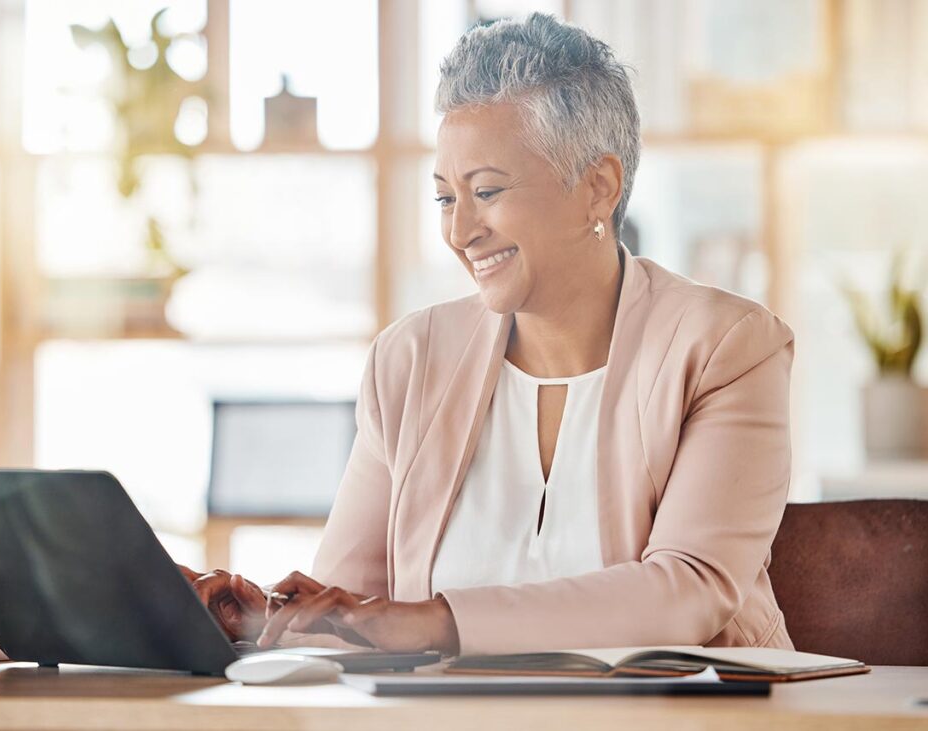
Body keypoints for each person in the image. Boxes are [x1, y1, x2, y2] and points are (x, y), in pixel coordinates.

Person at [184, 13, 795, 656]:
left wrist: (437, 621)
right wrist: (262, 622)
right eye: (447, 198)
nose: (460, 231)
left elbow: (686, 591)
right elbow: (348, 608)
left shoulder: (727, 347)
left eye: (488, 191)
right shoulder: (410, 360)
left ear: (599, 188)